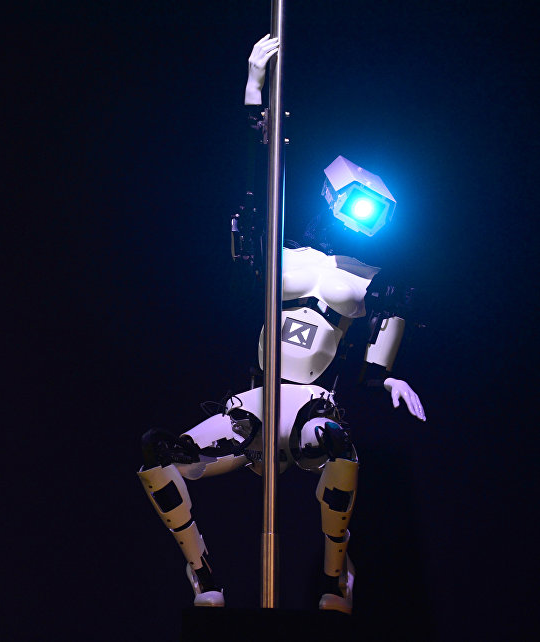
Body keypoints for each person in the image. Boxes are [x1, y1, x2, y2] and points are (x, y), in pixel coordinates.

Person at [136, 34, 425, 614]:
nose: (362, 216)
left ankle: (335, 576)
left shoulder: (373, 280)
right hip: (256, 402)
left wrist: (386, 375)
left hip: (312, 405)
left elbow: (388, 331)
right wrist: (253, 88)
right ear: (332, 195)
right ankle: (202, 570)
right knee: (157, 455)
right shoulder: (286, 253)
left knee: (338, 445)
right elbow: (258, 181)